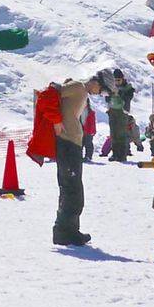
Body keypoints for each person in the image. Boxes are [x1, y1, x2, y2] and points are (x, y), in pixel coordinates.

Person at [53, 75, 105, 247]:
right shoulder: (78, 87)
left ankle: (70, 230)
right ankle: (64, 232)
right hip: (67, 142)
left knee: (73, 189)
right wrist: (56, 121)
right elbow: (52, 92)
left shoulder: (81, 91)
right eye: (100, 89)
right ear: (96, 83)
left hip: (71, 142)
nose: (98, 93)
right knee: (72, 189)